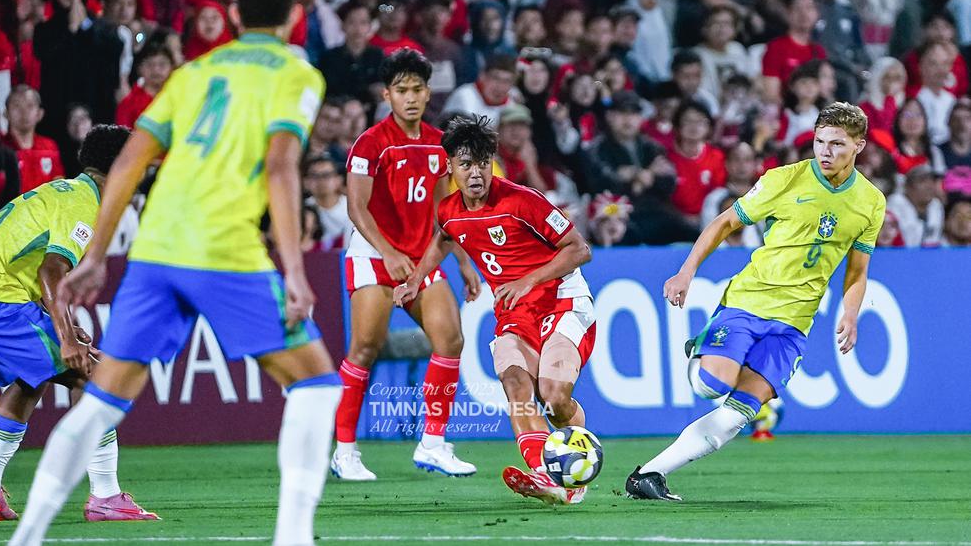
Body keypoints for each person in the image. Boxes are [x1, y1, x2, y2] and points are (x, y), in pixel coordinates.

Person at [8, 0, 339, 545]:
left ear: (233, 14)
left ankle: (27, 537)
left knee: (100, 404)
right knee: (316, 385)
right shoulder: (296, 73)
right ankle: (294, 537)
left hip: (156, 251)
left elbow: (131, 157)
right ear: (296, 16)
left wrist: (95, 255)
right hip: (225, 252)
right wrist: (297, 270)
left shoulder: (192, 73)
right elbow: (282, 167)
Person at [626, 102, 885, 501]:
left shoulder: (871, 201)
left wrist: (851, 315)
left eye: (837, 143)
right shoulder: (784, 180)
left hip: (795, 324)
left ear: (859, 146)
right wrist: (686, 271)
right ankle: (700, 347)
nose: (825, 151)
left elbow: (857, 271)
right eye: (819, 141)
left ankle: (649, 475)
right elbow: (725, 222)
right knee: (712, 388)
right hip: (749, 303)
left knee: (738, 415)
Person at [394, 114, 595, 506]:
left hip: (562, 300)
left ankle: (578, 458)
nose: (476, 173)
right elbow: (444, 238)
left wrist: (529, 280)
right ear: (449, 165)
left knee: (552, 399)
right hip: (515, 315)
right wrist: (417, 279)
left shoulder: (522, 201)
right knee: (517, 388)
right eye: (466, 164)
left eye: (483, 162)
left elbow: (580, 249)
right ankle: (549, 476)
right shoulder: (449, 210)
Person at [0, 125, 155, 523]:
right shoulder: (85, 202)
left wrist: (60, 321)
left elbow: (30, 264)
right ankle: (105, 495)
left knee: (29, 382)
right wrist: (66, 338)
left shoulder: (64, 190)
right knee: (96, 378)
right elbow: (53, 269)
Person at [334, 48, 481, 481]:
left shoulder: (440, 144)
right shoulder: (371, 143)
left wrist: (464, 260)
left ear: (428, 91)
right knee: (365, 348)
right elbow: (357, 209)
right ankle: (345, 451)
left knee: (450, 340)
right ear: (387, 95)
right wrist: (390, 252)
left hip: (420, 260)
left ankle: (433, 444)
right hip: (373, 256)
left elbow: (444, 209)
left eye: (418, 89)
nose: (411, 98)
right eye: (402, 90)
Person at [33, 0, 123, 138]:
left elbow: (112, 51)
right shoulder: (44, 30)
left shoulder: (102, 27)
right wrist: (72, 30)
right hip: (58, 110)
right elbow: (47, 54)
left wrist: (84, 26)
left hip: (97, 105)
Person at [3, 85, 65, 193]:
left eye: (30, 106)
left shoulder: (50, 146)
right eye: (17, 106)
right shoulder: (0, 147)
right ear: (6, 113)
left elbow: (58, 183)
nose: (24, 112)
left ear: (40, 114)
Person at [115, 43, 174, 127]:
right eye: (150, 64)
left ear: (172, 67)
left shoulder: (179, 98)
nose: (156, 70)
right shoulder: (128, 104)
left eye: (162, 65)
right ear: (140, 69)